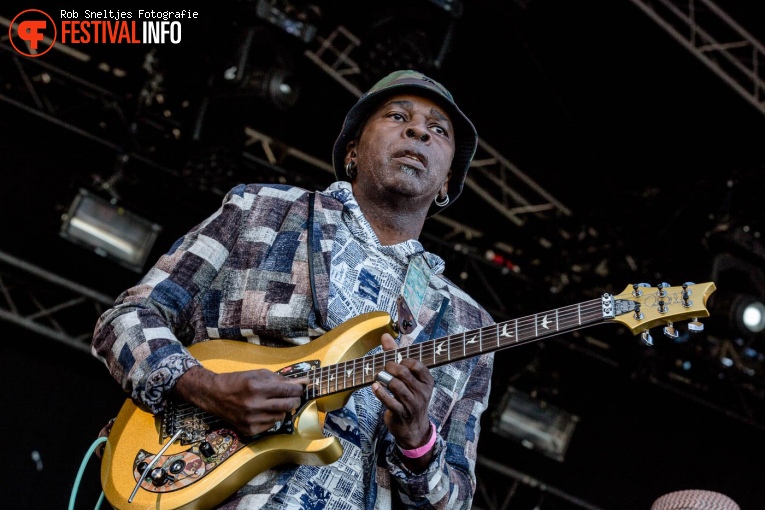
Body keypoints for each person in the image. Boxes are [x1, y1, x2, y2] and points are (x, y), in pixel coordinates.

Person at [92, 69, 495, 509]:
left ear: (448, 183)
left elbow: (454, 501)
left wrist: (419, 444)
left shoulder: (466, 323)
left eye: (438, 130)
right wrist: (205, 387)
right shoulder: (261, 210)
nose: (418, 130)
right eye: (398, 116)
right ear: (352, 152)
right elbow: (126, 319)